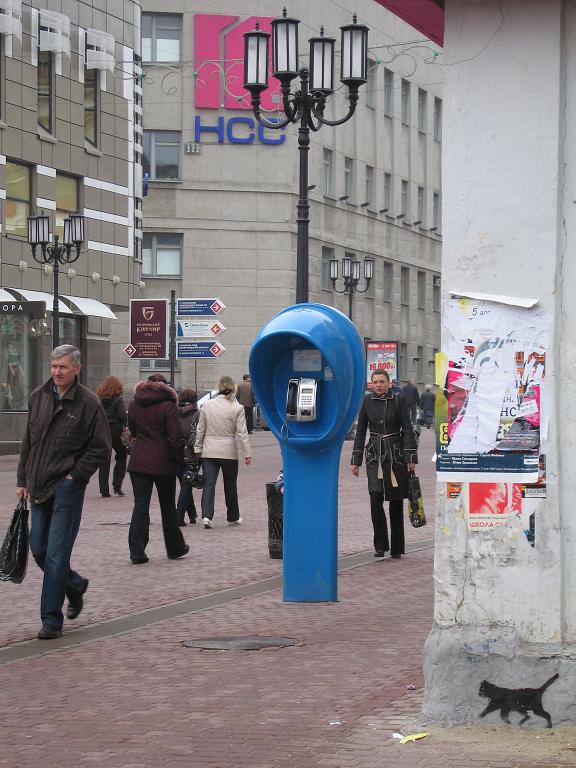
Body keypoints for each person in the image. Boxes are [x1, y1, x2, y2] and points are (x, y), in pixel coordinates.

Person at [16, 345, 111, 640]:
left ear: (77, 368)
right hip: (38, 485)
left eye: (63, 367)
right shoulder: (38, 396)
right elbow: (28, 442)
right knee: (39, 549)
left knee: (56, 554)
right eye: (54, 366)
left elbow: (101, 448)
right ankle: (74, 583)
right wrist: (22, 479)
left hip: (67, 488)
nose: (57, 372)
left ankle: (50, 620)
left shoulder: (89, 403)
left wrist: (75, 476)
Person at [351, 368, 418, 559]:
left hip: (395, 455)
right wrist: (355, 460)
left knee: (396, 502)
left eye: (382, 381)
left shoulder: (398, 399)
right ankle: (380, 544)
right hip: (374, 455)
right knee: (375, 497)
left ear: (389, 383)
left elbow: (408, 429)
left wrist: (410, 457)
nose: (378, 385)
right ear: (371, 384)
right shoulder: (366, 401)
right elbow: (361, 432)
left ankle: (397, 547)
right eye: (375, 382)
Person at [127, 373, 189, 564]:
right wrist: (180, 459)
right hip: (164, 462)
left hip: (138, 461)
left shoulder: (133, 404)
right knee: (168, 506)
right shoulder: (169, 406)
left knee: (140, 505)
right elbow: (175, 437)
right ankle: (175, 548)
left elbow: (133, 431)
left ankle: (137, 551)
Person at [194, 374, 252, 528]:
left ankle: (207, 516)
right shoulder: (237, 408)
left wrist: (197, 448)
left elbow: (200, 429)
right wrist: (247, 453)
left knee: (209, 484)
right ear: (233, 388)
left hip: (209, 450)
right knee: (230, 484)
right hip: (229, 451)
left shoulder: (207, 405)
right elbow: (242, 432)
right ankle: (232, 516)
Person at [96, 375, 127, 497]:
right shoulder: (118, 399)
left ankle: (104, 490)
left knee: (104, 460)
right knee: (121, 456)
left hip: (103, 429)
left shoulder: (99, 398)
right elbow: (121, 416)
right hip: (116, 430)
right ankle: (117, 485)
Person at [177, 388, 199, 526]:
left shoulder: (174, 413)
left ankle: (192, 514)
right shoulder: (197, 415)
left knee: (185, 482)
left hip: (174, 453)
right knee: (187, 484)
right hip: (190, 453)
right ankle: (178, 517)